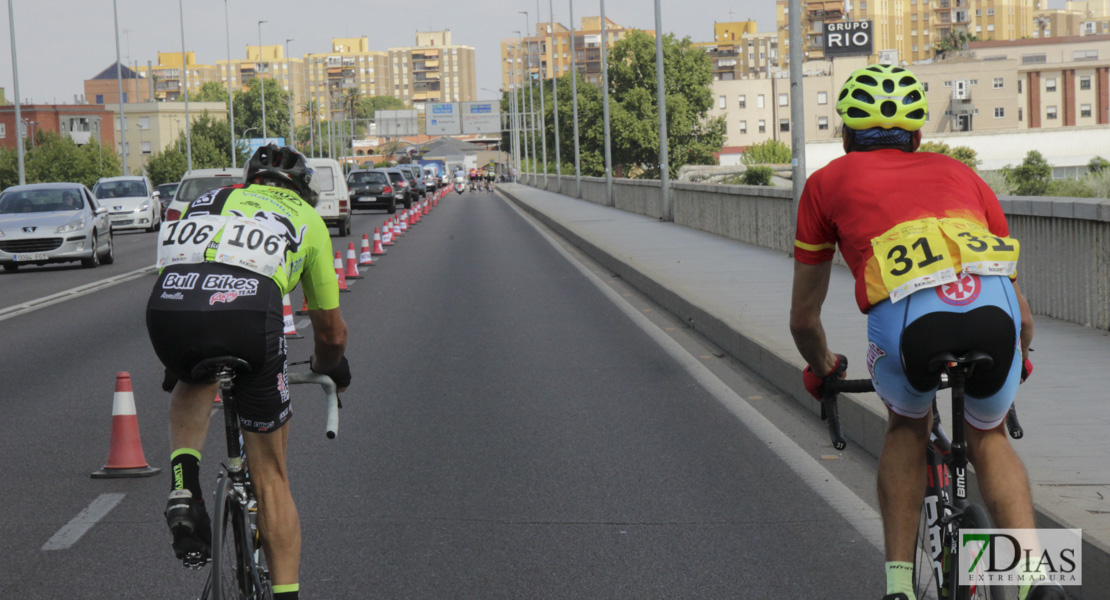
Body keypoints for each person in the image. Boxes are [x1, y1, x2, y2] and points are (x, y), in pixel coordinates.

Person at [789, 65, 1063, 600]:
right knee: (989, 434)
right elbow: (1022, 314)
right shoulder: (964, 175)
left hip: (909, 322)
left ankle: (898, 587)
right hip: (996, 317)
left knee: (907, 428)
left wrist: (824, 370)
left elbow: (803, 319)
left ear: (845, 137)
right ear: (918, 137)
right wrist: (1020, 356)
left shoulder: (825, 183)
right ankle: (1033, 577)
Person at [147, 145, 350, 600]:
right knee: (272, 478)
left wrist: (177, 356)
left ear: (250, 179)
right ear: (302, 191)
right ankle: (285, 595)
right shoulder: (309, 220)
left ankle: (184, 486)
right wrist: (330, 369)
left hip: (170, 308)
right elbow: (331, 334)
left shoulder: (209, 199)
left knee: (191, 377)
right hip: (246, 318)